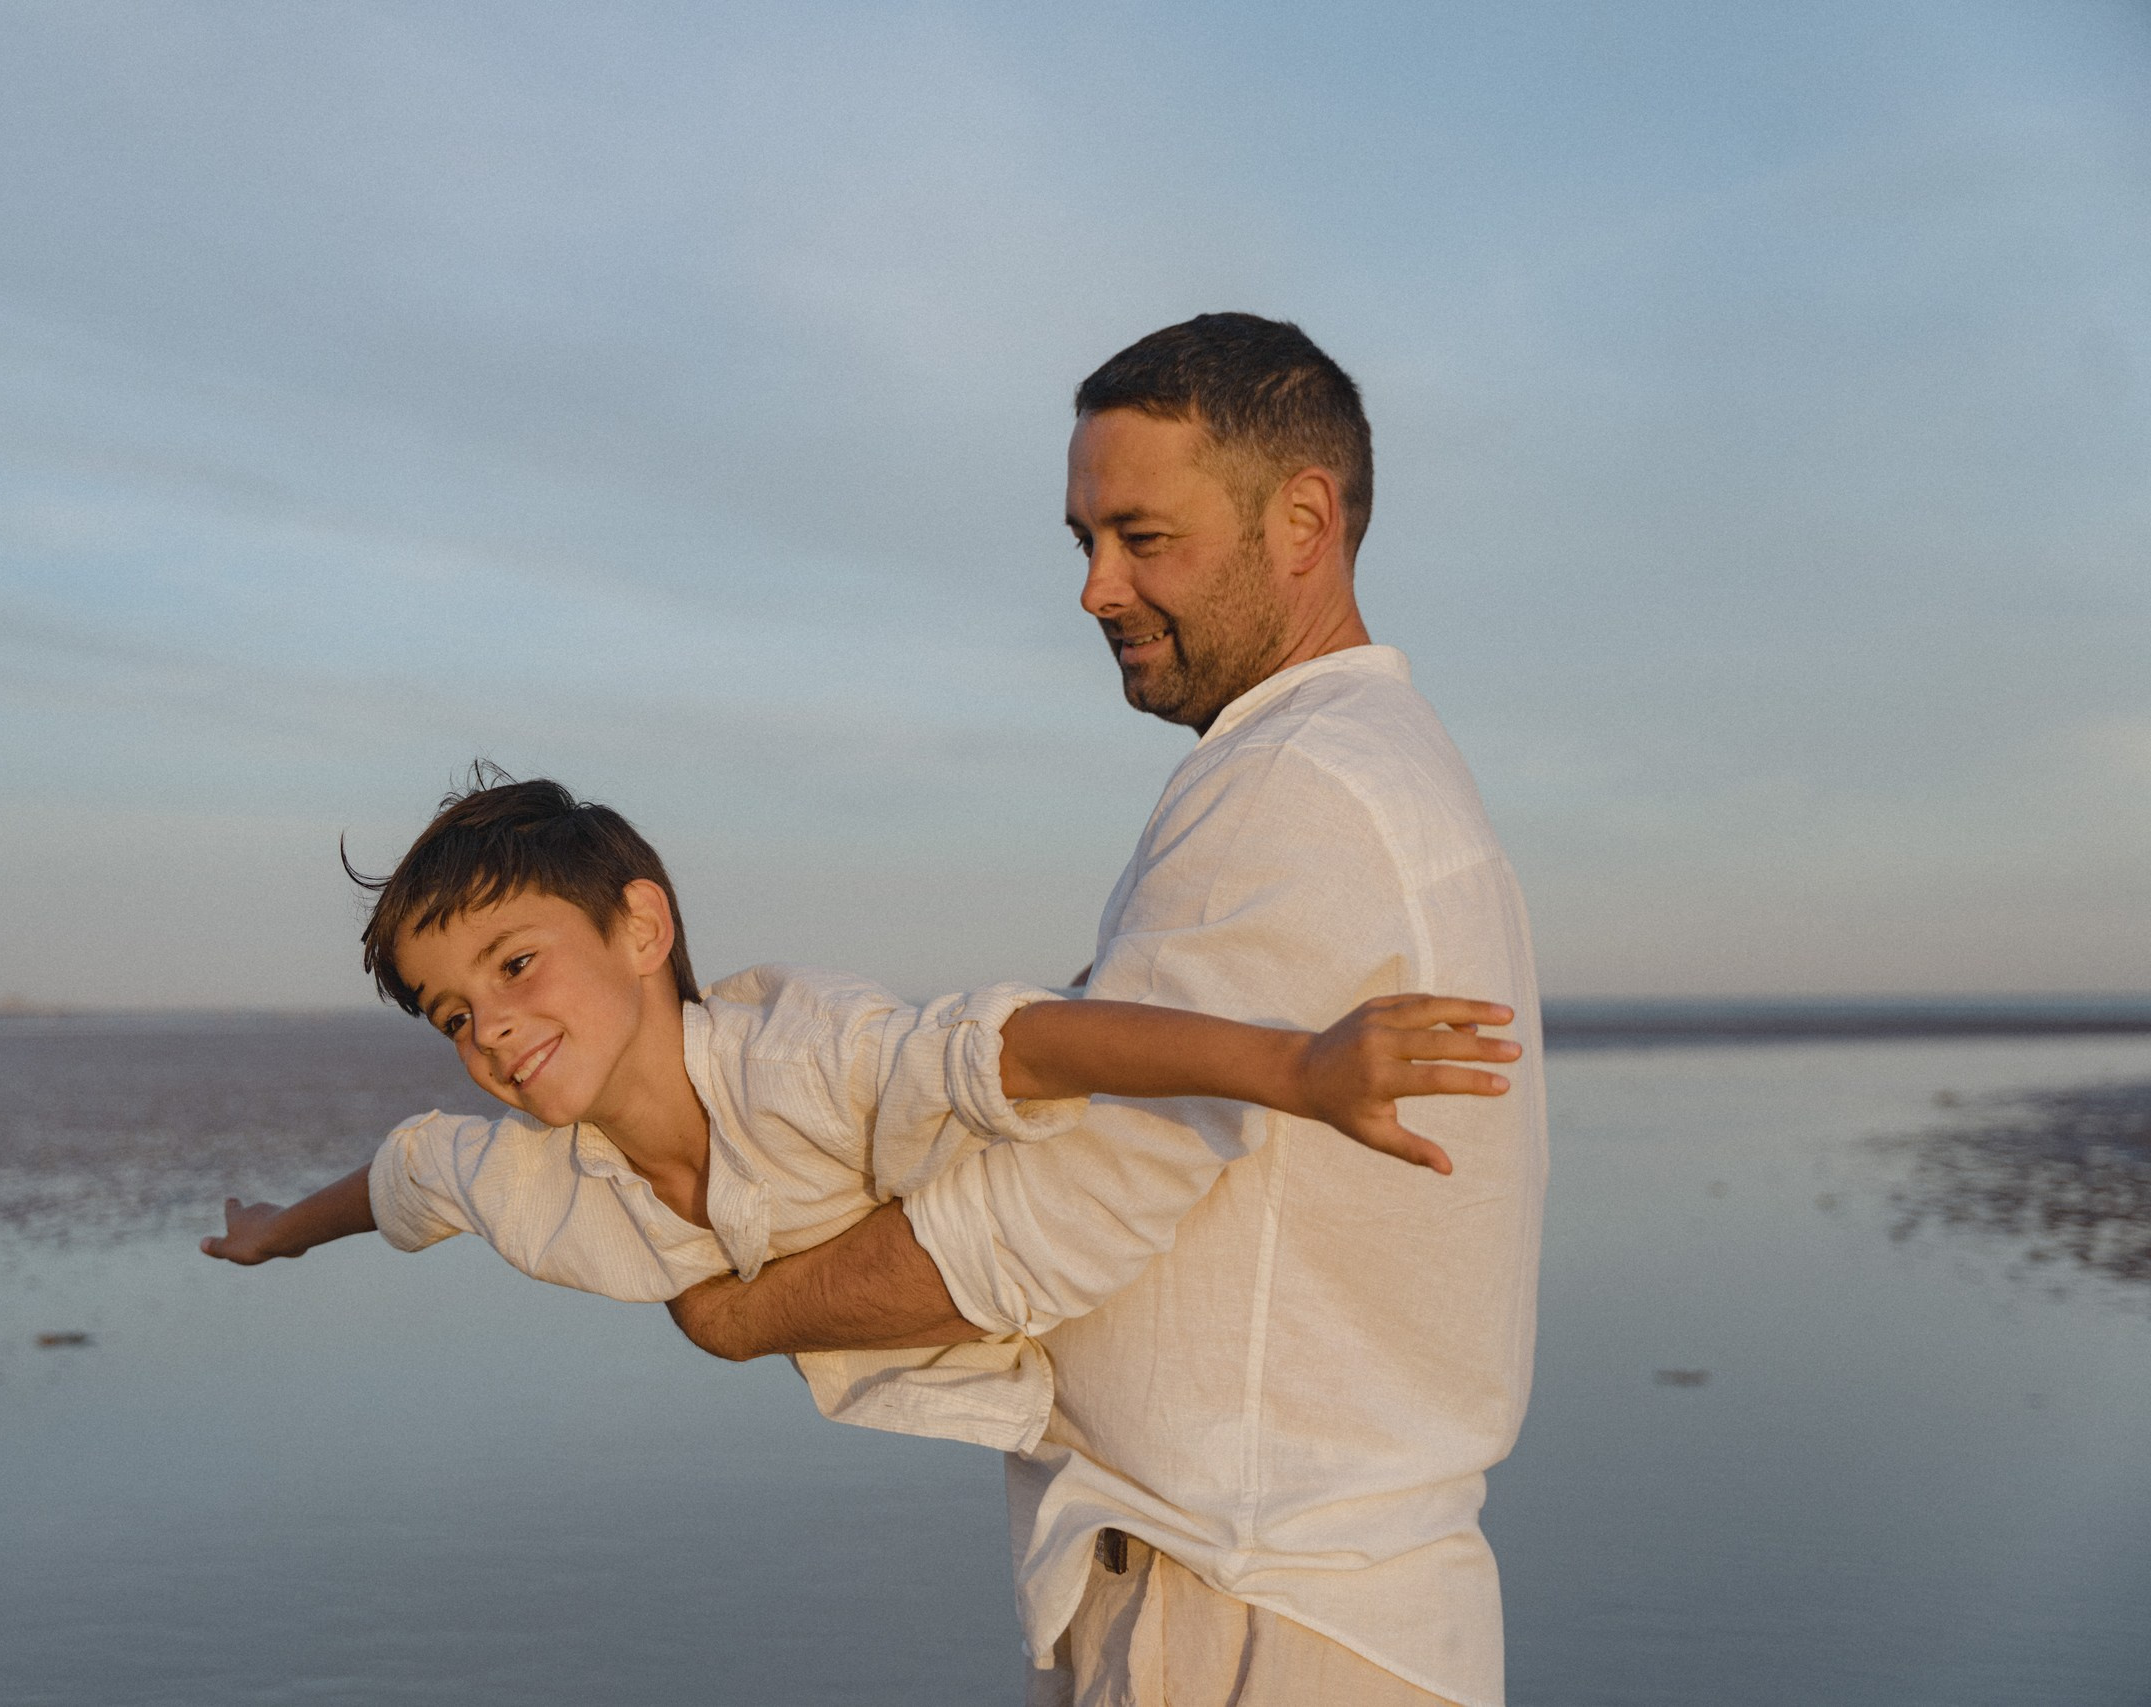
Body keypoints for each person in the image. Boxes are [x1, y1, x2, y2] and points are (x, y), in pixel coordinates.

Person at [664, 314, 1550, 1707]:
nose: (1094, 588)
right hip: (1296, 1606)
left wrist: (747, 1310)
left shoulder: (1298, 783)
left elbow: (1062, 1208)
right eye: (1082, 540)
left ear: (1303, 519)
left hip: (1256, 1623)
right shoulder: (1351, 762)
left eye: (1144, 538)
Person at [201, 773, 1519, 1453]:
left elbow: (1003, 1048)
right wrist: (274, 1234)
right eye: (448, 1012)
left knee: (1088, 1049)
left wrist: (1298, 1070)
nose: (486, 1024)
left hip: (1053, 1162)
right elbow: (407, 1178)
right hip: (1024, 1376)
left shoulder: (805, 1065)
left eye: (514, 962)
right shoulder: (529, 1179)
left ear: (641, 927)